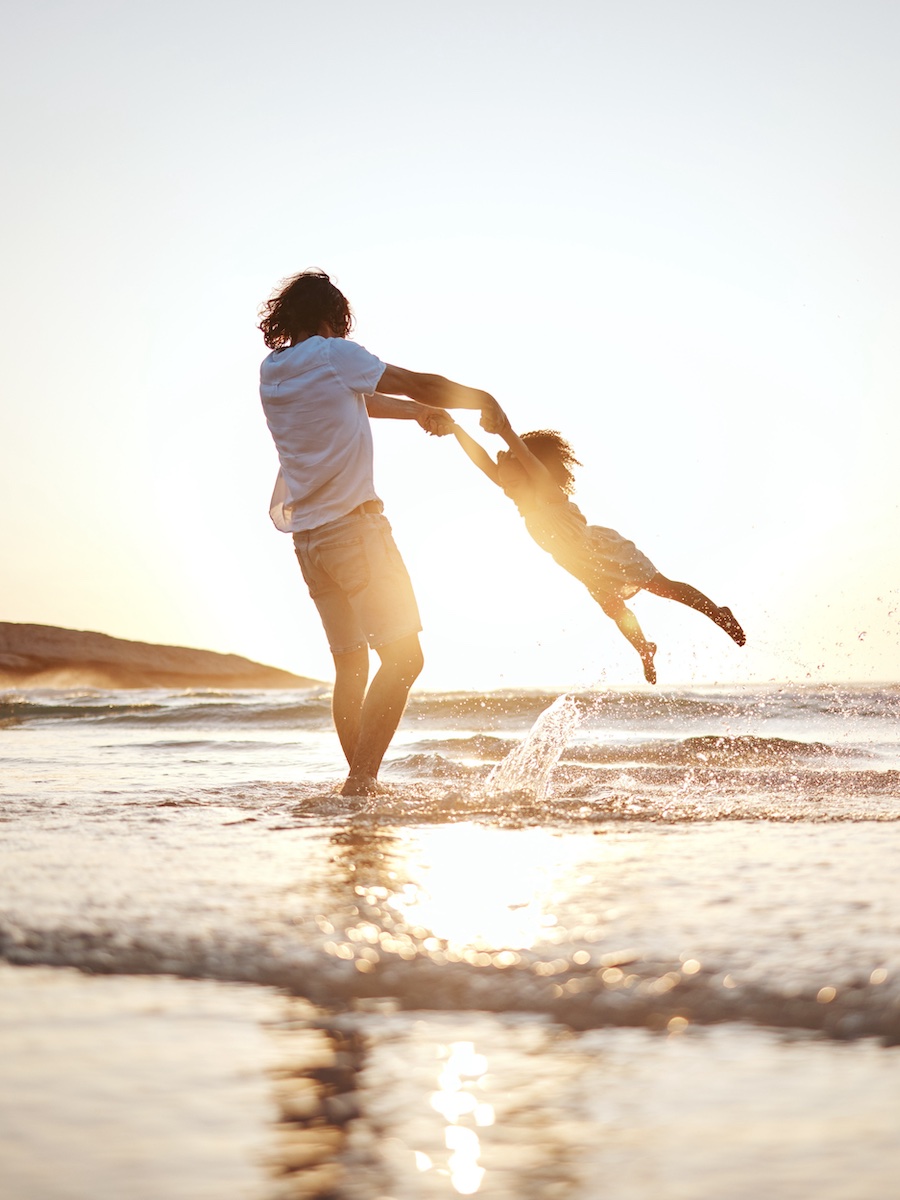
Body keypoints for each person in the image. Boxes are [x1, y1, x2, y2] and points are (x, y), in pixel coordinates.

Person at [258, 269, 503, 796]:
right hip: (356, 533)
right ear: (332, 317)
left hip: (309, 543)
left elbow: (356, 400)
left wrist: (417, 414)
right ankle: (361, 779)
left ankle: (360, 782)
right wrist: (479, 399)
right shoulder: (333, 354)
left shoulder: (273, 371)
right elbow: (417, 381)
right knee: (406, 658)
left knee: (351, 668)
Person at [450, 412, 745, 684]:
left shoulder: (546, 491)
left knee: (662, 587)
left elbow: (526, 456)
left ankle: (718, 613)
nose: (506, 488)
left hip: (604, 551)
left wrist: (506, 433)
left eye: (512, 481)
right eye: (505, 485)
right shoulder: (521, 500)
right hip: (582, 567)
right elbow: (482, 462)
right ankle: (645, 649)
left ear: (529, 474)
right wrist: (454, 428)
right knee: (615, 609)